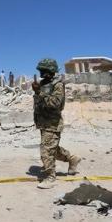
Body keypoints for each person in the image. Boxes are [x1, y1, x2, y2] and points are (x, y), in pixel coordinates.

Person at [32, 58, 81, 189]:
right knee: (52, 149)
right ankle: (72, 158)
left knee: (46, 150)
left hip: (53, 123)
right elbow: (39, 103)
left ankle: (50, 177)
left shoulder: (58, 84)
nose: (41, 73)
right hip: (43, 123)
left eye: (43, 70)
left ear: (50, 71)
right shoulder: (43, 84)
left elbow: (55, 104)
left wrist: (38, 92)